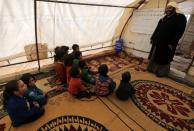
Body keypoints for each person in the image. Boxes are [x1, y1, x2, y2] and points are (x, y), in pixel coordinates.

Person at [147, 1, 187, 77]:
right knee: (155, 56)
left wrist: (173, 43)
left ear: (175, 9)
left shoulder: (180, 18)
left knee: (164, 58)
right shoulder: (164, 18)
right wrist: (153, 38)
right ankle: (152, 69)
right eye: (167, 8)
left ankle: (161, 73)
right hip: (158, 42)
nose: (168, 9)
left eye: (170, 8)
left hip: (168, 44)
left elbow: (179, 32)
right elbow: (157, 29)